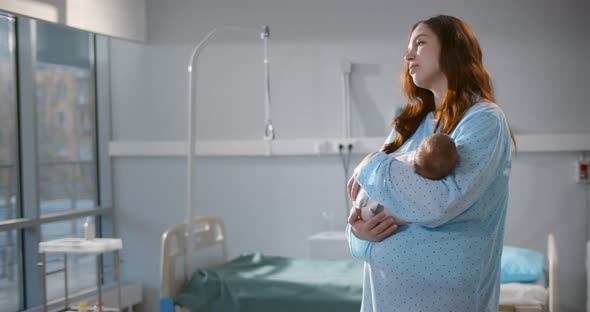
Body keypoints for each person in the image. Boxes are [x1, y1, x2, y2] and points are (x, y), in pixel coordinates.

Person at [346, 15, 514, 312]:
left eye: (420, 44)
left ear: (453, 49)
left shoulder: (483, 120)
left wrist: (371, 162)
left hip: (444, 300)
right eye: (408, 48)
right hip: (384, 297)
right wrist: (359, 234)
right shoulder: (409, 125)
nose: (408, 55)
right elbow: (370, 200)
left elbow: (441, 203)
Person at [355, 133, 459, 222]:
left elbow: (382, 160)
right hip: (373, 198)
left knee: (368, 205)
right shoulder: (431, 192)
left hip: (370, 199)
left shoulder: (406, 160)